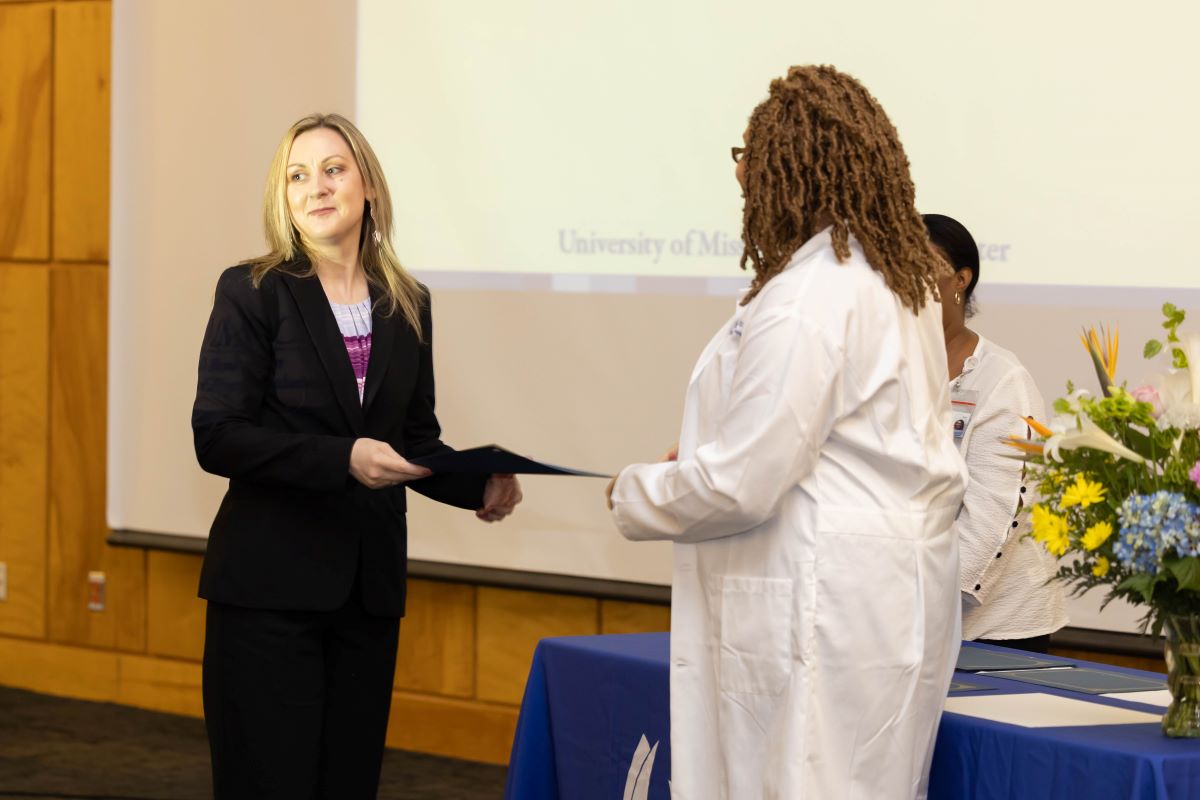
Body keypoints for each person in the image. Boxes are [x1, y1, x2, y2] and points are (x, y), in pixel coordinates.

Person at [606, 66, 968, 799]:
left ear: (787, 165)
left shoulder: (808, 296)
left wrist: (635, 492)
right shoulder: (898, 285)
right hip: (884, 600)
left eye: (748, 152)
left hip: (818, 601)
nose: (739, 173)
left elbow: (743, 483)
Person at [192, 112, 522, 799]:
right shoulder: (253, 290)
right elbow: (216, 435)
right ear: (283, 198)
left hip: (366, 598)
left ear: (367, 184)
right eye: (298, 175)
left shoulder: (408, 303)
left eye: (333, 169)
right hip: (267, 595)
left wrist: (478, 485)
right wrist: (341, 458)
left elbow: (414, 442)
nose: (317, 187)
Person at [924, 213, 1067, 652]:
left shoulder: (1001, 379)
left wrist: (919, 604)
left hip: (997, 625)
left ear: (959, 281)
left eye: (920, 269)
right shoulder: (888, 368)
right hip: (910, 614)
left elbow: (996, 515)